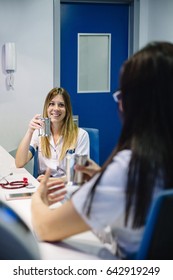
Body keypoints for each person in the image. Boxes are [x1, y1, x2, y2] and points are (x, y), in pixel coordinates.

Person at [31, 42, 173, 259]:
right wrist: (102, 177)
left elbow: (46, 228)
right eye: (51, 104)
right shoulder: (153, 163)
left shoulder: (129, 168)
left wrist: (37, 197)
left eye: (122, 95)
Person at [15, 87, 90, 180]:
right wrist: (30, 131)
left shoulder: (81, 135)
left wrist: (51, 180)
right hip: (43, 188)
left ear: (67, 109)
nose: (56, 108)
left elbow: (80, 174)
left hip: (67, 189)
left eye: (61, 105)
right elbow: (19, 163)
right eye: (52, 104)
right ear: (47, 107)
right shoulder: (40, 132)